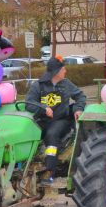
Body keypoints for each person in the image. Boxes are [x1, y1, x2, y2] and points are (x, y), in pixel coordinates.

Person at [25, 56, 86, 184]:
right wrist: (43, 108)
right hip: (42, 120)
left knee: (52, 135)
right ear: (56, 71)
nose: (65, 71)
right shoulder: (38, 85)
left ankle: (50, 171)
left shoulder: (66, 84)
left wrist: (78, 109)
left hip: (61, 120)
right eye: (63, 69)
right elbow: (28, 103)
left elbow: (81, 96)